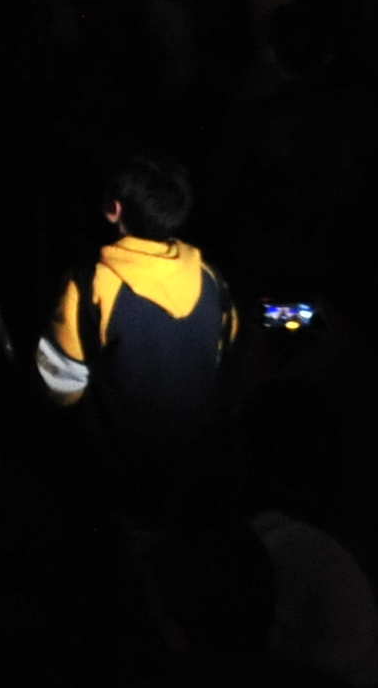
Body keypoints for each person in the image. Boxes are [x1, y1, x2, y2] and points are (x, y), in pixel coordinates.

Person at [37, 154, 235, 461]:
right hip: (197, 460)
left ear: (113, 209)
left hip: (118, 463)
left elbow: (61, 385)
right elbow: (222, 346)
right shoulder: (209, 276)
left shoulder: (90, 283)